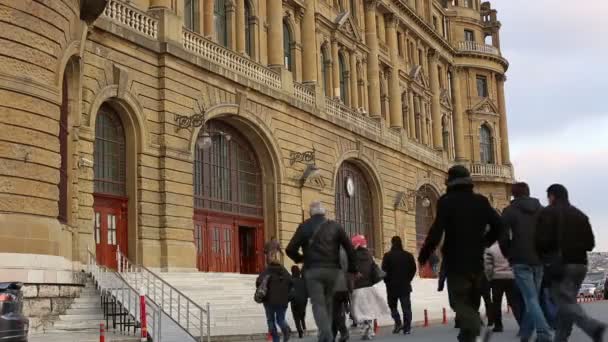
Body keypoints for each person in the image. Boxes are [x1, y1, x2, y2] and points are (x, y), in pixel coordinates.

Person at [418, 165, 502, 342]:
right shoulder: (481, 201)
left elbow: (436, 231)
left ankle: (475, 327)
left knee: (459, 302)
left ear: (450, 181)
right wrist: (485, 241)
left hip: (456, 262)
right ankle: (468, 336)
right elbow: (500, 226)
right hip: (478, 262)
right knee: (472, 302)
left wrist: (424, 254)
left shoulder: (446, 201)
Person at [536, 184, 606, 342]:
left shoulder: (547, 213)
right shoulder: (580, 215)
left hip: (560, 265)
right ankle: (560, 338)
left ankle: (592, 326)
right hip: (580, 264)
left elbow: (541, 242)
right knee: (567, 302)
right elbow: (590, 243)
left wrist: (544, 256)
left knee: (563, 301)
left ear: (552, 196)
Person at [286, 201, 358, 342]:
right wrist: (352, 269)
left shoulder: (304, 227)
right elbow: (350, 248)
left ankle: (326, 336)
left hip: (313, 272)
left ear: (310, 213)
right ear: (324, 213)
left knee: (319, 305)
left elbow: (290, 249)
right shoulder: (336, 227)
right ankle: (331, 334)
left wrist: (301, 258)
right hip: (333, 272)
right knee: (334, 306)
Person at [500, 182, 551, 342]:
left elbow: (502, 236)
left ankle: (543, 334)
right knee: (533, 297)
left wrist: (508, 253)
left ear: (513, 194)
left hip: (520, 260)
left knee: (530, 298)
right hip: (539, 260)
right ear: (528, 193)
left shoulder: (509, 211)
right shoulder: (542, 210)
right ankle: (526, 332)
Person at [350, 235, 390, 340]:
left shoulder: (352, 255)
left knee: (359, 309)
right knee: (368, 308)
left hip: (357, 287)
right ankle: (369, 330)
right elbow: (373, 269)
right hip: (368, 287)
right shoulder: (368, 255)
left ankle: (365, 328)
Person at [484, 242, 522, 332]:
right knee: (514, 302)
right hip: (511, 277)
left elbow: (488, 266)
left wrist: (490, 277)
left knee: (496, 303)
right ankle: (521, 323)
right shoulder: (512, 246)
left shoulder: (491, 248)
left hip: (497, 279)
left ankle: (498, 325)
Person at [381, 236, 416, 335]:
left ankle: (398, 323)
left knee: (392, 306)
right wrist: (408, 279)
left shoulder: (387, 256)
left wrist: (387, 281)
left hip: (391, 287)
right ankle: (407, 328)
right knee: (406, 308)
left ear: (392, 243)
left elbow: (383, 271)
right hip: (405, 286)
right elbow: (413, 269)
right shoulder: (408, 255)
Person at [257, 252, 293, 342]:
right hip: (283, 301)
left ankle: (276, 340)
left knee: (270, 320)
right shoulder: (284, 272)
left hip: (269, 301)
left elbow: (258, 282)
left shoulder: (267, 271)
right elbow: (292, 283)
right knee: (280, 319)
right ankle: (286, 331)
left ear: (270, 264)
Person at [332, 248, 351, 342]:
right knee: (337, 311)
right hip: (343, 285)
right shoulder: (344, 251)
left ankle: (343, 332)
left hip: (334, 285)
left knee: (334, 312)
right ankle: (333, 335)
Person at [290, 265, 308, 339]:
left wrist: (289, 298)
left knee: (296, 317)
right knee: (302, 315)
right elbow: (306, 291)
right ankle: (304, 328)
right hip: (303, 300)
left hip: (294, 301)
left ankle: (300, 331)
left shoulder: (291, 281)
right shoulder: (303, 280)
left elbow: (289, 291)